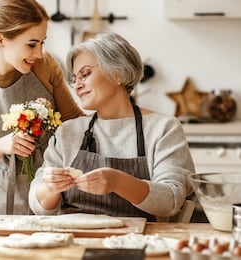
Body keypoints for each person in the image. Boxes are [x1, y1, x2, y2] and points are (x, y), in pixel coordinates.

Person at [28, 32, 195, 221]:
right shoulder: (68, 131)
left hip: (137, 242)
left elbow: (171, 200)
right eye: (75, 79)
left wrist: (118, 182)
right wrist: (50, 188)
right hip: (72, 240)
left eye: (85, 74)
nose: (77, 86)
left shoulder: (163, 128)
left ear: (119, 73)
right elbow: (38, 205)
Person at [0, 0, 84, 215]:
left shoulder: (44, 65)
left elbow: (75, 123)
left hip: (57, 184)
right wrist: (0, 146)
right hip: (10, 197)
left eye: (42, 43)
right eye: (32, 44)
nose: (39, 53)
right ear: (0, 40)